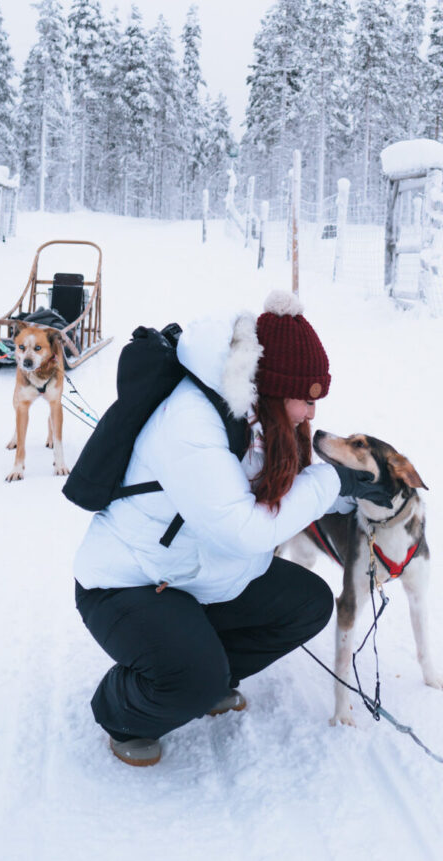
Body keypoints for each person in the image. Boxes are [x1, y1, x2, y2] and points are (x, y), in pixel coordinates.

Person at [72, 289, 393, 766]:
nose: (311, 414)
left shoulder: (257, 419)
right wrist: (332, 480)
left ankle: (204, 674)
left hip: (195, 575)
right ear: (272, 388)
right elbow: (244, 531)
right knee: (191, 680)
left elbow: (287, 491)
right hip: (129, 583)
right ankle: (127, 710)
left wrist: (358, 491)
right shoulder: (192, 421)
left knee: (307, 603)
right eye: (305, 400)